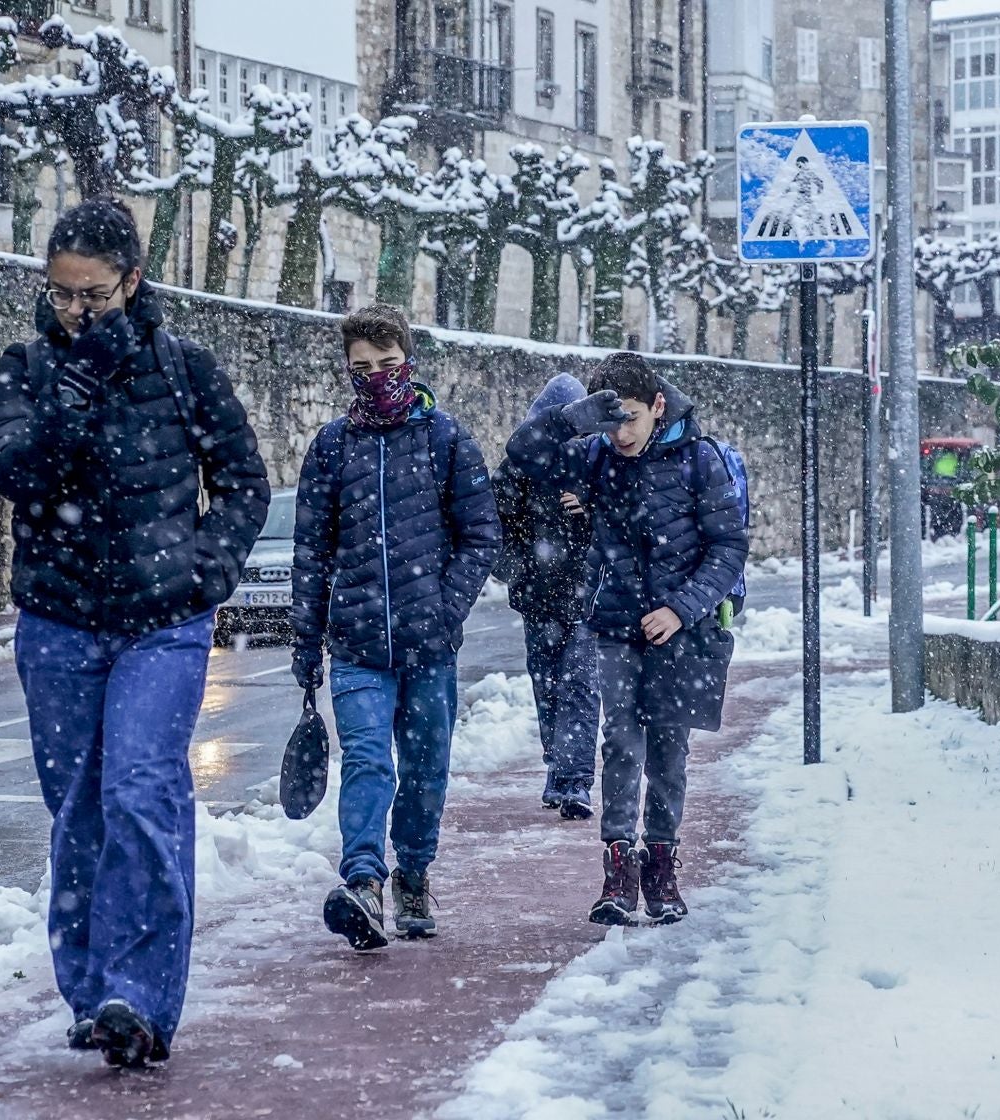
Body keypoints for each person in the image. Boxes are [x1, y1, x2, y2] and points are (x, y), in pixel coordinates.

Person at [0, 198, 270, 1068]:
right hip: (59, 621)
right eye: (63, 293)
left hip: (161, 623)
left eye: (95, 295)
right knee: (77, 810)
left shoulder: (184, 369)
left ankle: (137, 998)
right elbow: (14, 474)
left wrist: (202, 571)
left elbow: (246, 482)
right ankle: (89, 988)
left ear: (132, 281)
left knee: (142, 793)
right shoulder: (25, 369)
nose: (77, 310)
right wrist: (69, 402)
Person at [506, 352, 748, 926]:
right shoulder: (594, 454)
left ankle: (661, 863)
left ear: (658, 406)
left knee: (668, 750)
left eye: (632, 419)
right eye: (612, 421)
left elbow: (728, 547)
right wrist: (573, 420)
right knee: (619, 744)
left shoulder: (699, 459)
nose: (622, 433)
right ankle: (618, 867)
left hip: (680, 631)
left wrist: (682, 609)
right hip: (613, 624)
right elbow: (522, 456)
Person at [290, 303, 499, 950]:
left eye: (387, 365)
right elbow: (310, 552)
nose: (376, 377)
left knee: (427, 768)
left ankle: (413, 870)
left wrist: (443, 607)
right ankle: (363, 880)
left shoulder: (446, 440)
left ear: (407, 362)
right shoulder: (330, 447)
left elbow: (481, 536)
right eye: (362, 368)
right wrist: (306, 640)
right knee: (367, 760)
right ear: (347, 371)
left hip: (428, 646)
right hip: (354, 642)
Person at [493, 374, 600, 820]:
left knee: (578, 683)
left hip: (587, 599)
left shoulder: (597, 464)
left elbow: (625, 521)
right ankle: (558, 770)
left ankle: (574, 780)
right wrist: (517, 569)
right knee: (548, 685)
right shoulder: (520, 469)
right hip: (539, 598)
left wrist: (591, 507)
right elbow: (494, 523)